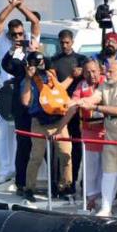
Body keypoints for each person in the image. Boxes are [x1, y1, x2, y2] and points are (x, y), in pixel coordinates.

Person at [64, 60, 117, 217]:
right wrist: (80, 101)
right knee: (109, 170)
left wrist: (95, 108)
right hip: (112, 133)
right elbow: (95, 97)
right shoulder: (105, 85)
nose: (107, 74)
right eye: (107, 71)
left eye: (111, 72)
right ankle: (106, 207)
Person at [0, 0, 41, 184]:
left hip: (27, 91)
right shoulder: (3, 41)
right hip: (8, 91)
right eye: (14, 34)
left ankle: (28, 172)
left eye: (20, 34)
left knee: (28, 132)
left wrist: (21, 6)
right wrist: (11, 5)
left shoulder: (29, 42)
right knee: (5, 133)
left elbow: (35, 22)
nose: (18, 38)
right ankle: (6, 170)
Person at [21, 51, 72, 202]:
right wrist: (29, 79)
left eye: (41, 61)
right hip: (40, 122)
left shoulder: (52, 76)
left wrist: (71, 76)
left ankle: (65, 187)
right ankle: (29, 188)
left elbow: (62, 91)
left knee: (65, 154)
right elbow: (25, 102)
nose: (40, 64)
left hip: (59, 120)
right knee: (36, 157)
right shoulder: (27, 81)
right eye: (36, 62)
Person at [49, 29, 87, 195]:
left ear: (72, 42)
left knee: (77, 147)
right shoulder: (54, 61)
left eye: (67, 42)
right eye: (62, 42)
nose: (64, 45)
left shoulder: (81, 59)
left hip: (77, 109)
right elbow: (54, 85)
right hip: (61, 109)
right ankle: (59, 183)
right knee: (60, 148)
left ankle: (72, 183)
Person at [69, 60, 106, 210]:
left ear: (100, 70)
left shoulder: (107, 83)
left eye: (94, 71)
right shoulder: (81, 86)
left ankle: (107, 196)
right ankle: (91, 196)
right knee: (90, 166)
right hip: (89, 131)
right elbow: (73, 101)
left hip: (107, 131)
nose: (92, 75)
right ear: (84, 73)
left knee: (108, 167)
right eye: (88, 72)